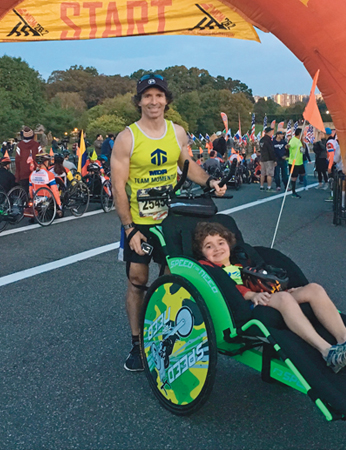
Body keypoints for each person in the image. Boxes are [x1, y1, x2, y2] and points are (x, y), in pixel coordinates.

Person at [111, 73, 226, 372]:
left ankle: (163, 334)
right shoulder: (127, 138)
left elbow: (187, 167)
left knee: (170, 278)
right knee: (137, 280)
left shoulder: (177, 132)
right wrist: (129, 229)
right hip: (139, 222)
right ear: (138, 101)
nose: (153, 101)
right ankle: (137, 344)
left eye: (158, 95)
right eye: (147, 96)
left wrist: (211, 180)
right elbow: (117, 187)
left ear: (166, 100)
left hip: (170, 218)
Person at [193, 221, 346, 373]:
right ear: (202, 253)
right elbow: (224, 288)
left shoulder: (240, 265)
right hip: (247, 307)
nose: (217, 248)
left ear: (229, 244)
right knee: (285, 300)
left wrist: (284, 289)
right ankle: (328, 352)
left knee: (314, 289)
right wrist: (252, 294)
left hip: (271, 296)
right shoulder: (209, 269)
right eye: (209, 246)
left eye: (220, 242)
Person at [29, 151, 62, 217]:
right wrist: (59, 204)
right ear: (46, 162)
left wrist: (31, 198)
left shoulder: (32, 174)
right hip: (48, 197)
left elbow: (30, 189)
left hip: (36, 196)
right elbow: (55, 190)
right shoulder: (49, 174)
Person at [286, 128, 305, 198]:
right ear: (299, 134)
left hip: (300, 162)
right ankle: (293, 191)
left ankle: (296, 185)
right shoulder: (293, 140)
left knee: (303, 173)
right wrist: (287, 146)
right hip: (294, 162)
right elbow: (289, 145)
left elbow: (302, 150)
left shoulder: (299, 141)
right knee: (294, 177)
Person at [258, 127, 275, 191]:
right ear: (269, 132)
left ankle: (261, 186)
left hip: (263, 158)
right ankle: (269, 187)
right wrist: (274, 159)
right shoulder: (268, 140)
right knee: (269, 174)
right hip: (269, 159)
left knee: (262, 173)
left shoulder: (261, 140)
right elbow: (271, 151)